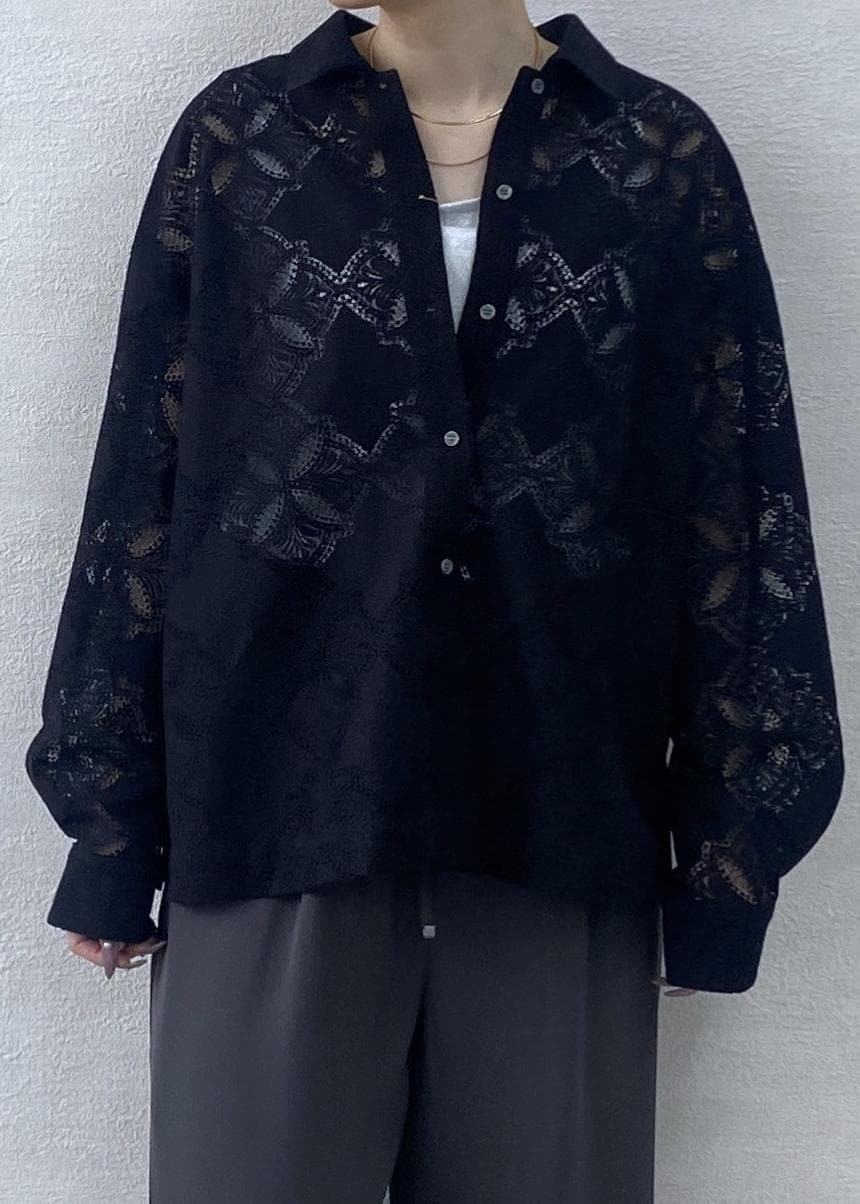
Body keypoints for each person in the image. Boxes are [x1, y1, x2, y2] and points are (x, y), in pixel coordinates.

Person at [25, 2, 844, 1201]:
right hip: (274, 818)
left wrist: (726, 858)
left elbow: (734, 500)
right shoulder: (244, 137)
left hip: (558, 826)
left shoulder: (656, 155)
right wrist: (111, 827)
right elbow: (146, 481)